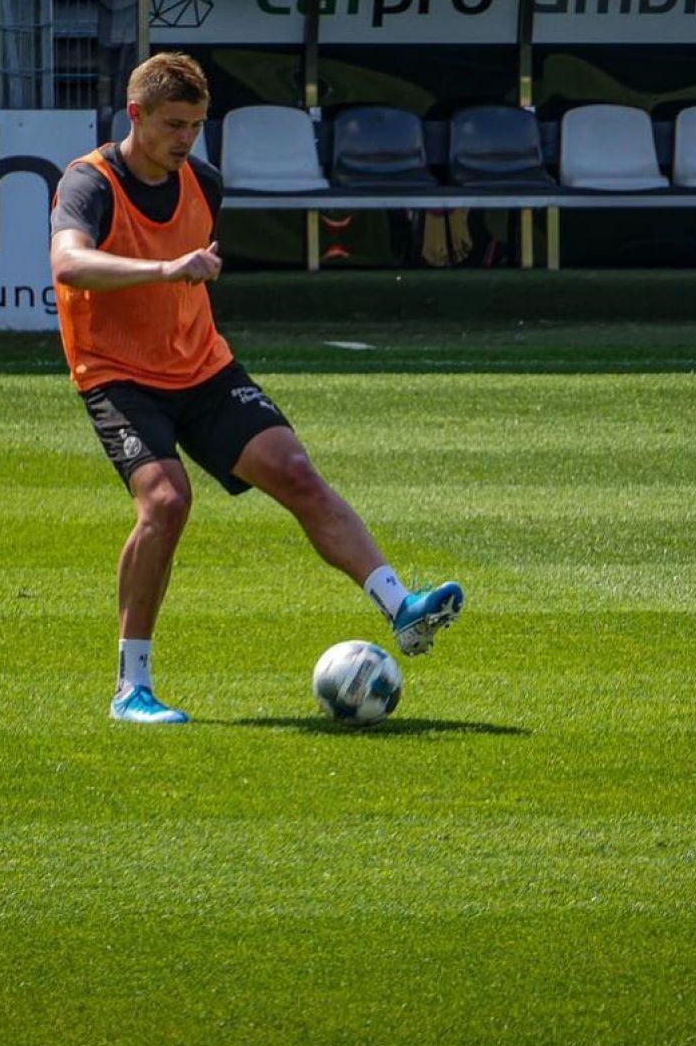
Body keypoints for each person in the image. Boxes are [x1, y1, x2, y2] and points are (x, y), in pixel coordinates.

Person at [49, 51, 463, 724]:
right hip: (118, 375)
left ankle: (402, 608)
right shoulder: (88, 183)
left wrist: (180, 282)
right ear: (136, 115)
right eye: (173, 124)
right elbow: (68, 263)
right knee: (166, 500)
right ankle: (131, 688)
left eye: (196, 125)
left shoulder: (203, 181)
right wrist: (167, 269)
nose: (186, 139)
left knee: (296, 471)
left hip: (203, 367)